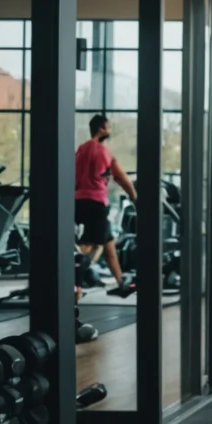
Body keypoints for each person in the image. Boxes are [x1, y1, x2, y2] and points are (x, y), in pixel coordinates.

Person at [75, 114, 135, 295]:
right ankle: (74, 281)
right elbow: (120, 177)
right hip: (96, 203)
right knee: (92, 245)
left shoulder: (81, 150)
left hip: (78, 201)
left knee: (108, 242)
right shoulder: (103, 152)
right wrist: (134, 197)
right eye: (108, 127)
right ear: (101, 129)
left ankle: (121, 283)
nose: (109, 130)